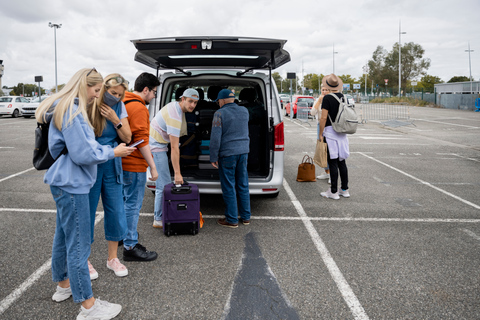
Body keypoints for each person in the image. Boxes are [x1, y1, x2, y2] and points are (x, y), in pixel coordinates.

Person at [35, 68, 134, 319]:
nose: (97, 96)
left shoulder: (60, 105)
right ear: (84, 85)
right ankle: (88, 305)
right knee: (78, 244)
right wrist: (113, 152)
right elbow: (84, 153)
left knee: (63, 236)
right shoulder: (73, 110)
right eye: (96, 90)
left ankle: (63, 285)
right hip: (73, 182)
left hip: (62, 180)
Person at [87, 74, 132, 278]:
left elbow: (128, 137)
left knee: (116, 209)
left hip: (113, 162)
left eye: (120, 94)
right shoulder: (91, 103)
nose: (116, 97)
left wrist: (116, 121)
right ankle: (84, 259)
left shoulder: (119, 107)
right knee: (86, 211)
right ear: (104, 88)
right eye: (113, 93)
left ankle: (112, 258)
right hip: (92, 162)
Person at [122, 72, 159, 261]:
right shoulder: (138, 107)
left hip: (121, 162)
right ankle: (130, 245)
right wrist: (152, 166)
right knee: (132, 205)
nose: (153, 96)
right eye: (153, 92)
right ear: (145, 90)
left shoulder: (124, 101)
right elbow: (141, 139)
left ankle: (123, 236)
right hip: (134, 163)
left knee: (122, 203)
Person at [150, 88, 199, 228]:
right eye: (190, 101)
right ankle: (158, 219)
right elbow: (174, 147)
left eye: (195, 103)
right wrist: (177, 173)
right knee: (163, 185)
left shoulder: (177, 108)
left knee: (163, 183)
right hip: (156, 147)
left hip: (160, 145)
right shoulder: (174, 115)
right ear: (182, 99)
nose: (192, 105)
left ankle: (160, 216)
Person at [210, 89, 251, 228]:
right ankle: (246, 217)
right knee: (243, 184)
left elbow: (215, 138)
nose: (218, 103)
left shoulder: (219, 113)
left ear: (221, 100)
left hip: (228, 154)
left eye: (218, 101)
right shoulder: (245, 111)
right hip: (244, 152)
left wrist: (213, 156)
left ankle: (232, 219)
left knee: (229, 186)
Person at [318, 74, 350, 200]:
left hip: (330, 132)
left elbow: (323, 117)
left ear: (327, 85)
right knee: (342, 161)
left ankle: (333, 192)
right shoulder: (344, 97)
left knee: (332, 162)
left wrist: (320, 133)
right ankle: (344, 189)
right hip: (342, 132)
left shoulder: (327, 98)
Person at [311, 84, 331, 181]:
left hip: (330, 126)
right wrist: (319, 101)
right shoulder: (318, 100)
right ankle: (326, 171)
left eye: (327, 90)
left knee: (329, 149)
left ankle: (332, 173)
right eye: (323, 89)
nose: (324, 91)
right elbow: (312, 112)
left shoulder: (331, 100)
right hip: (320, 125)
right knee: (322, 149)